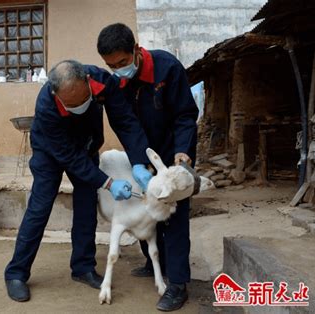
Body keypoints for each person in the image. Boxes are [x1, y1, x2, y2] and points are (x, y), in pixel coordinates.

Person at [4, 60, 153, 302]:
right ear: (56, 95)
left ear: (87, 82)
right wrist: (107, 182)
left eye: (84, 100)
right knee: (39, 208)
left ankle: (83, 267)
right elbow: (68, 157)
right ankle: (16, 273)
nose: (80, 107)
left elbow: (124, 121)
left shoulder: (102, 82)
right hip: (50, 152)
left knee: (86, 207)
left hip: (86, 145)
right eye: (71, 105)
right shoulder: (46, 104)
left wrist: (138, 160)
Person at [97, 23, 198, 312]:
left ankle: (177, 284)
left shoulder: (168, 68)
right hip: (142, 155)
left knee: (174, 214)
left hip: (175, 153)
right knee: (145, 206)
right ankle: (153, 260)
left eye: (123, 62)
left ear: (137, 51)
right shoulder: (116, 83)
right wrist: (139, 160)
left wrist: (182, 153)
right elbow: (125, 124)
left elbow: (185, 114)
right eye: (111, 65)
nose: (118, 69)